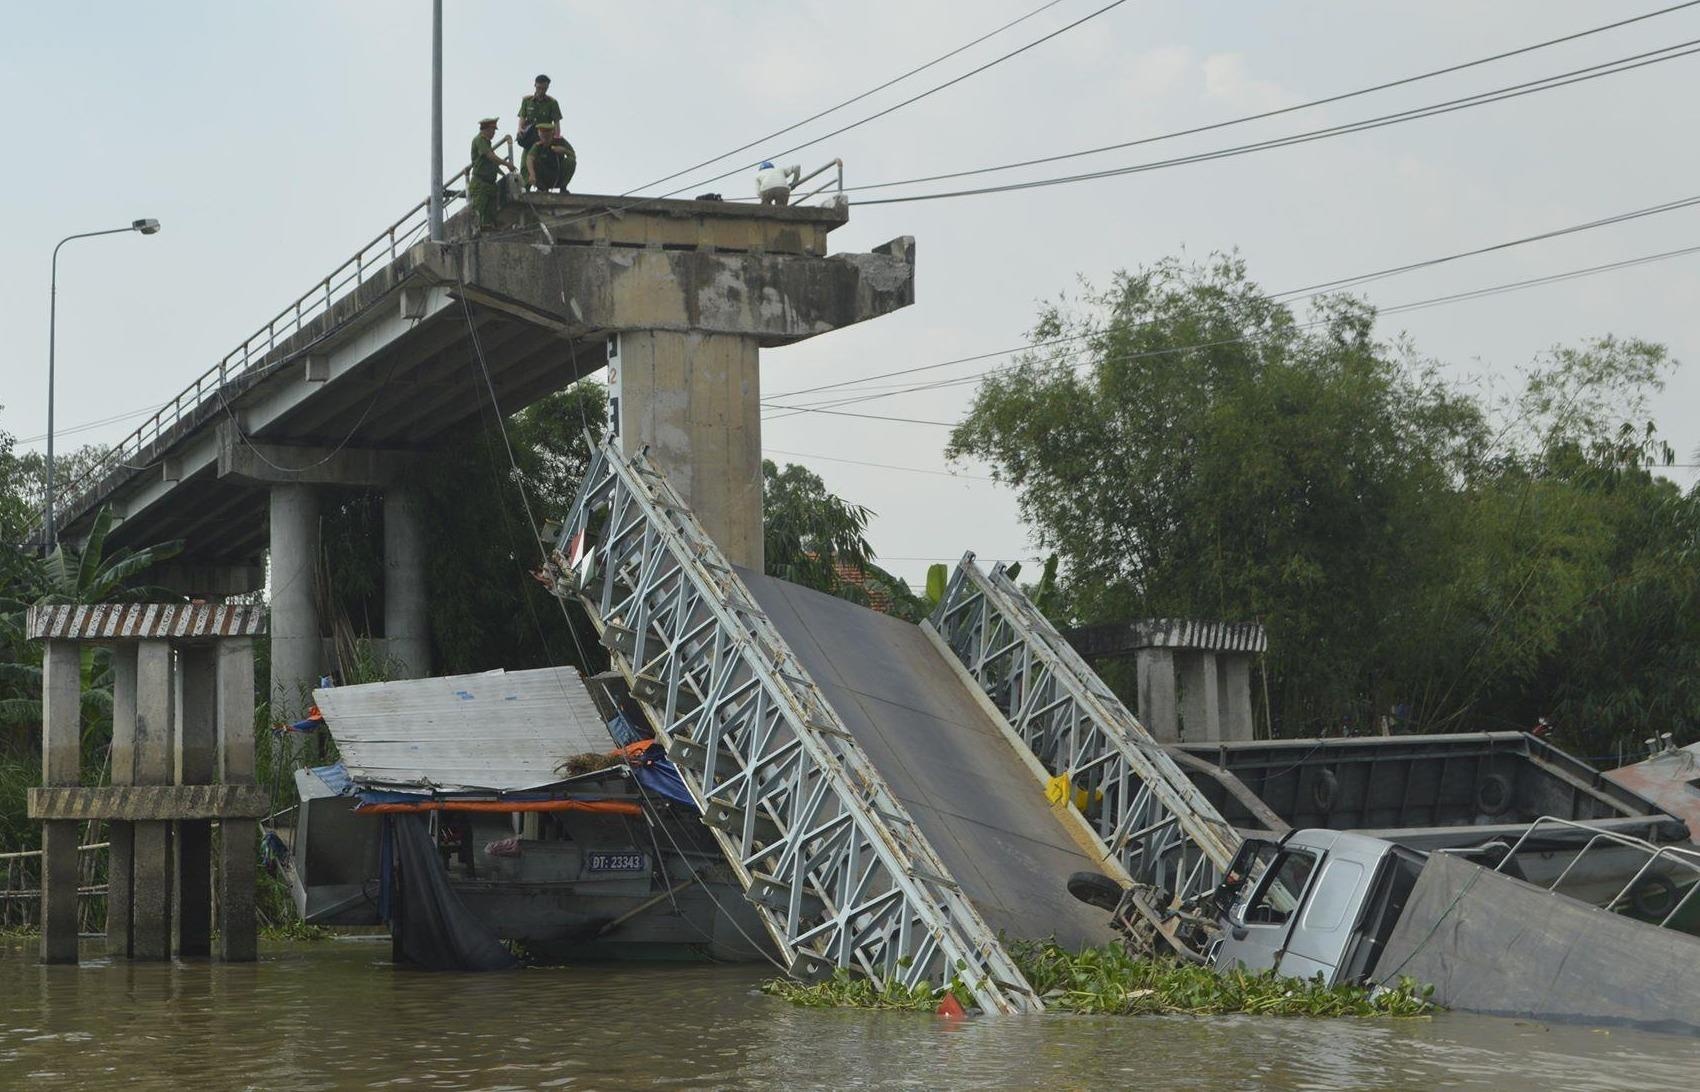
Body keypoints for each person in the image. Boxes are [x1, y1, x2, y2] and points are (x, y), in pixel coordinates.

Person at [469, 117, 512, 230]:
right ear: (485, 129)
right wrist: (506, 164)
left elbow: (492, 164)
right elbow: (490, 156)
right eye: (492, 130)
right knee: (480, 211)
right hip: (481, 184)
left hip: (489, 184)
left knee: (491, 213)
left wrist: (505, 173)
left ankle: (491, 227)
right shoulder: (480, 140)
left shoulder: (487, 143)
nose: (493, 132)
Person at [523, 122, 577, 193]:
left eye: (547, 137)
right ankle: (541, 188)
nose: (545, 140)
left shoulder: (561, 141)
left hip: (557, 174)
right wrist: (532, 174)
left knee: (571, 161)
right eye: (543, 137)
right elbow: (529, 158)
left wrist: (564, 150)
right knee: (534, 163)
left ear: (552, 135)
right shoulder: (538, 145)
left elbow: (573, 156)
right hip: (544, 175)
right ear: (539, 135)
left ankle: (563, 187)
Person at [517, 74, 562, 150]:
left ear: (547, 88)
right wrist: (520, 129)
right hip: (530, 138)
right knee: (526, 160)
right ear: (535, 85)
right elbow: (522, 117)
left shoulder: (552, 103)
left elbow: (556, 123)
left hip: (545, 138)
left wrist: (556, 138)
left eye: (544, 89)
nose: (541, 91)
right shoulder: (527, 101)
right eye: (539, 88)